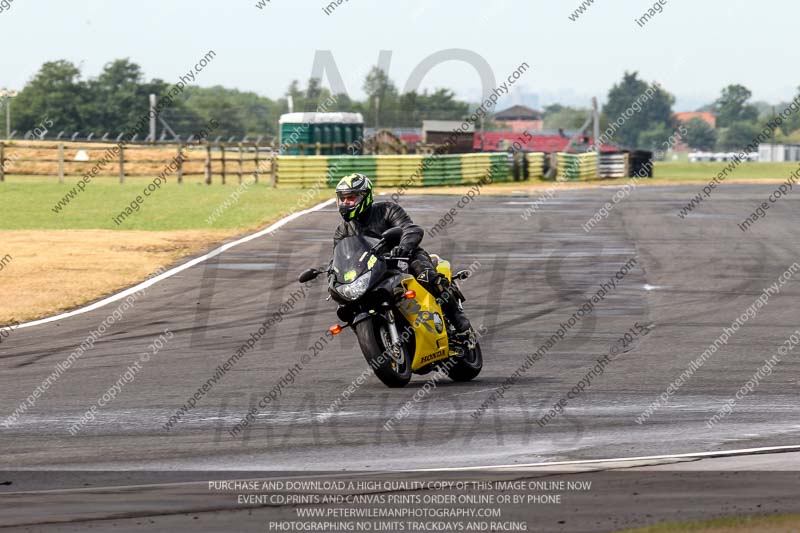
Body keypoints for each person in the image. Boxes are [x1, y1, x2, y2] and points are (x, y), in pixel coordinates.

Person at [332, 173, 472, 337]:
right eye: (343, 199)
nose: (346, 203)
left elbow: (410, 229)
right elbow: (340, 257)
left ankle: (456, 317)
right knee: (350, 304)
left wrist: (403, 247)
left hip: (403, 258)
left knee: (426, 275)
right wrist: (333, 274)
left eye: (351, 198)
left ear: (365, 197)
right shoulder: (343, 230)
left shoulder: (387, 210)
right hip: (372, 271)